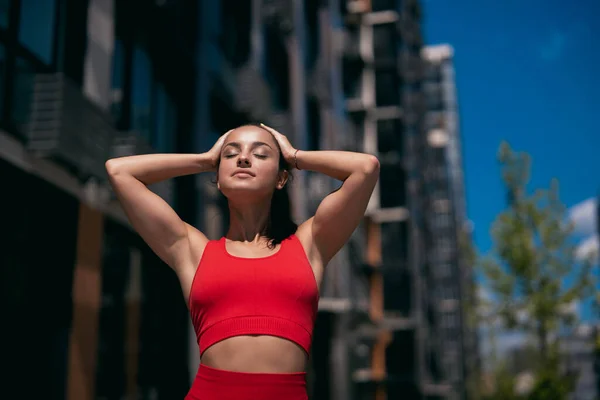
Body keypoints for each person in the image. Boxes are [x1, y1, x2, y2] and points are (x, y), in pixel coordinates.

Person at [105, 123, 380, 399]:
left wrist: (294, 156)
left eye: (260, 154)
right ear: (219, 177)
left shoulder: (310, 244)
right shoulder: (192, 251)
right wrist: (204, 160)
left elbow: (365, 168)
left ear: (281, 179)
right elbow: (119, 171)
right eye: (230, 154)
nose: (244, 158)